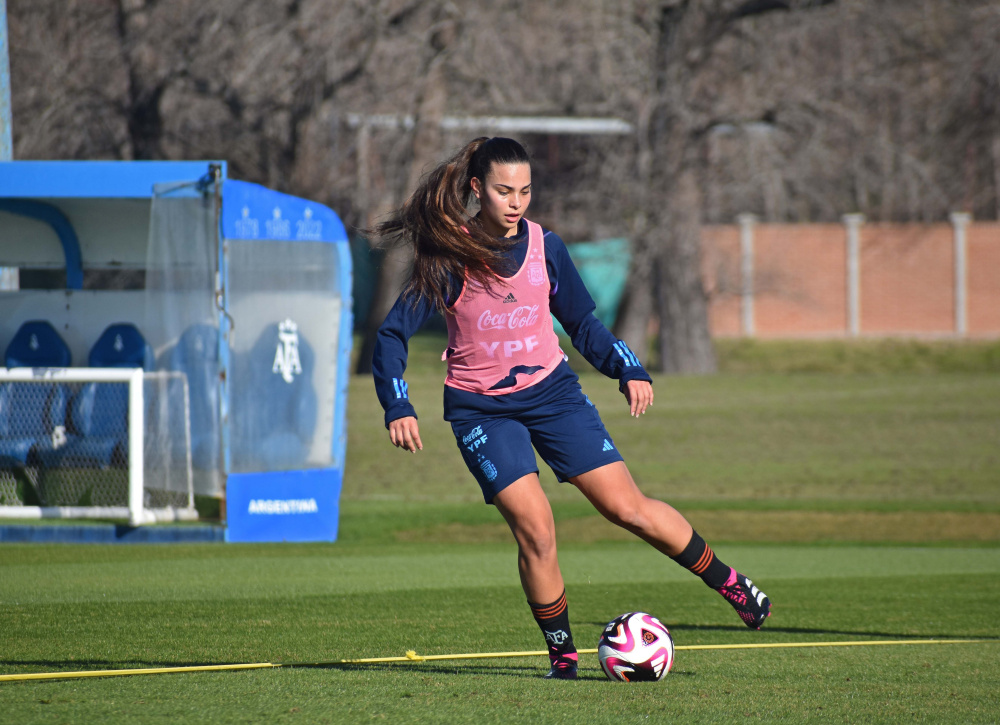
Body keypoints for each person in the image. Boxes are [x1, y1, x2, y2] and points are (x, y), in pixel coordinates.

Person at [371, 137, 770, 680]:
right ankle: (563, 656)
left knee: (626, 508)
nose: (516, 202)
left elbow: (582, 323)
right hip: (482, 411)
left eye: (525, 191)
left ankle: (729, 582)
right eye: (504, 190)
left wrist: (625, 367)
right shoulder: (448, 256)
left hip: (555, 395)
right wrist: (397, 404)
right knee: (536, 527)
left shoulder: (546, 247)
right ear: (476, 189)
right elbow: (392, 336)